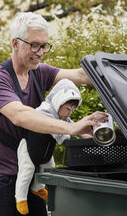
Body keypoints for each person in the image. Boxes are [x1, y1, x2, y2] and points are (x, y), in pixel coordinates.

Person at [0, 12, 108, 216]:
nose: (40, 52)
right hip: (0, 181)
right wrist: (71, 128)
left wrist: (123, 63)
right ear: (15, 43)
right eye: (34, 45)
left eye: (44, 46)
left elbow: (81, 75)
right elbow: (21, 115)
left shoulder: (39, 72)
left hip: (34, 179)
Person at [15, 78, 83, 215]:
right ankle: (20, 198)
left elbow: (72, 125)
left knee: (49, 167)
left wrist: (83, 132)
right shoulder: (45, 110)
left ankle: (37, 188)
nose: (69, 113)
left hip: (44, 151)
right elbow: (58, 131)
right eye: (68, 109)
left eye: (72, 110)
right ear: (59, 101)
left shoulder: (62, 116)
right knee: (27, 170)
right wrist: (67, 136)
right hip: (29, 147)